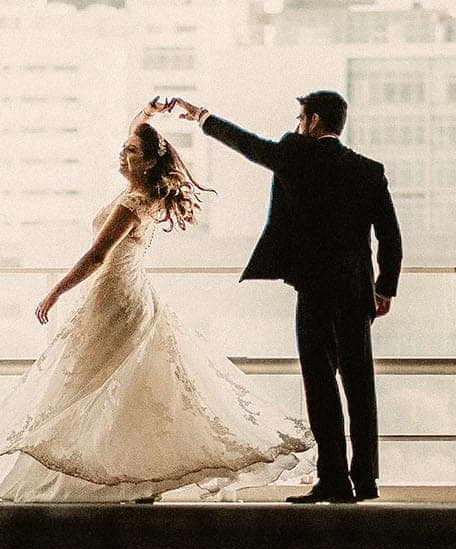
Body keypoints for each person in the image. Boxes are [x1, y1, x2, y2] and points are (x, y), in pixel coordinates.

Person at [0, 104, 312, 503]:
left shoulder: (133, 203)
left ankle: (131, 478)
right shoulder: (142, 194)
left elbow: (96, 255)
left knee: (108, 385)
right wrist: (146, 113)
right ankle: (137, 480)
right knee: (127, 389)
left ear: (147, 162)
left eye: (131, 152)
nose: (123, 155)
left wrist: (55, 291)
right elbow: (138, 136)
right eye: (123, 149)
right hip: (127, 296)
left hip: (117, 299)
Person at [159, 90, 402, 504]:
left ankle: (334, 481)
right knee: (360, 387)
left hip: (314, 290)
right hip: (356, 290)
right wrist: (384, 287)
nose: (296, 124)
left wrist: (202, 117)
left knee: (321, 386)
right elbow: (390, 237)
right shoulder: (368, 170)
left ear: (313, 120)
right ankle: (365, 480)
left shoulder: (295, 155)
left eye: (300, 117)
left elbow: (248, 145)